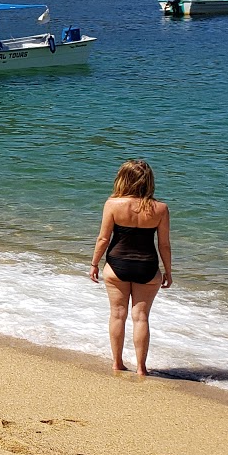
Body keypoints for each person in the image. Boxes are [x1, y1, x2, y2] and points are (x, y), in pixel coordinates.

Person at [90, 158, 172, 377]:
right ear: (148, 181)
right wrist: (168, 272)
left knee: (117, 314)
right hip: (147, 267)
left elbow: (103, 238)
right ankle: (141, 368)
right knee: (141, 317)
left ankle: (117, 363)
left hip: (117, 266)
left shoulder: (113, 204)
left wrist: (94, 264)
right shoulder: (160, 209)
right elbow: (164, 244)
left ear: (123, 179)